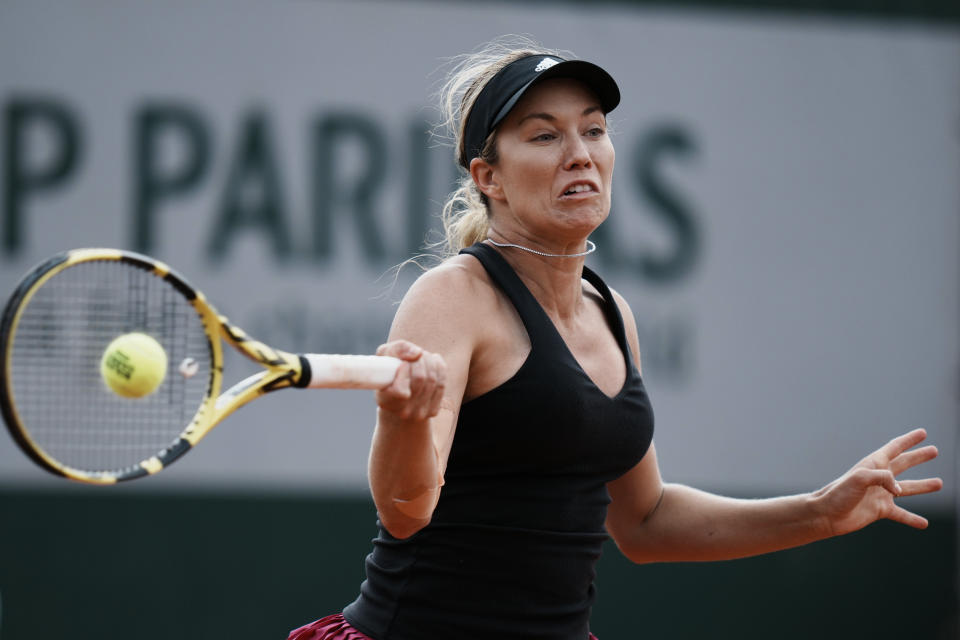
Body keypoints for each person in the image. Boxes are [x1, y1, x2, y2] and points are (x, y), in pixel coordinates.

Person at [288, 37, 943, 640]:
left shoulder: (612, 312)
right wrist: (404, 418)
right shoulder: (454, 296)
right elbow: (405, 511)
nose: (580, 152)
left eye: (594, 130)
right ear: (489, 178)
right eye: (544, 135)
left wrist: (821, 512)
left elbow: (645, 522)